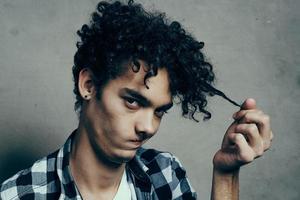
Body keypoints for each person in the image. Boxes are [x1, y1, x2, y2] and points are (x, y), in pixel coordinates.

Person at [0, 1, 273, 199]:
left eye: (159, 111)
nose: (148, 127)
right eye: (132, 101)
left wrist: (226, 174)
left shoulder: (165, 174)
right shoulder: (21, 195)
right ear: (89, 85)